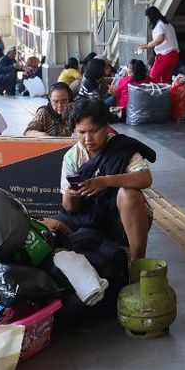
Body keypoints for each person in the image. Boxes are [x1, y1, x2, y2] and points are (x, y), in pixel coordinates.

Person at [42, 98, 155, 261]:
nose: (88, 138)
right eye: (81, 132)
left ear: (106, 127)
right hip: (88, 217)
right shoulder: (72, 157)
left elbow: (145, 178)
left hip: (120, 218)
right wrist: (71, 195)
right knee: (45, 227)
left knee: (129, 194)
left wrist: (106, 181)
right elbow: (69, 209)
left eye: (93, 131)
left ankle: (138, 261)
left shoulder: (121, 148)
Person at [137, 6, 180, 83]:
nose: (148, 20)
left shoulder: (159, 25)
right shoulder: (166, 24)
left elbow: (160, 39)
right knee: (164, 81)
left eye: (148, 18)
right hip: (174, 55)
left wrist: (147, 46)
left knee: (153, 78)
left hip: (165, 56)